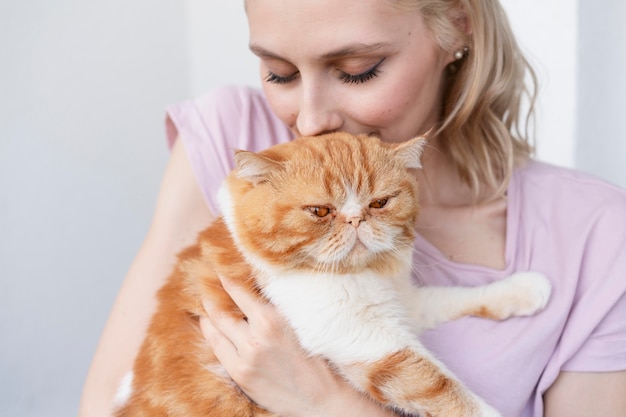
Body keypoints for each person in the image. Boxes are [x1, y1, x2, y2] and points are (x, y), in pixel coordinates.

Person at [79, 0, 626, 416]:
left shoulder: (595, 233)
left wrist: (324, 402)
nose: (310, 120)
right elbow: (109, 402)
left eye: (358, 70)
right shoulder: (235, 140)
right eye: (280, 73)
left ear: (458, 25)